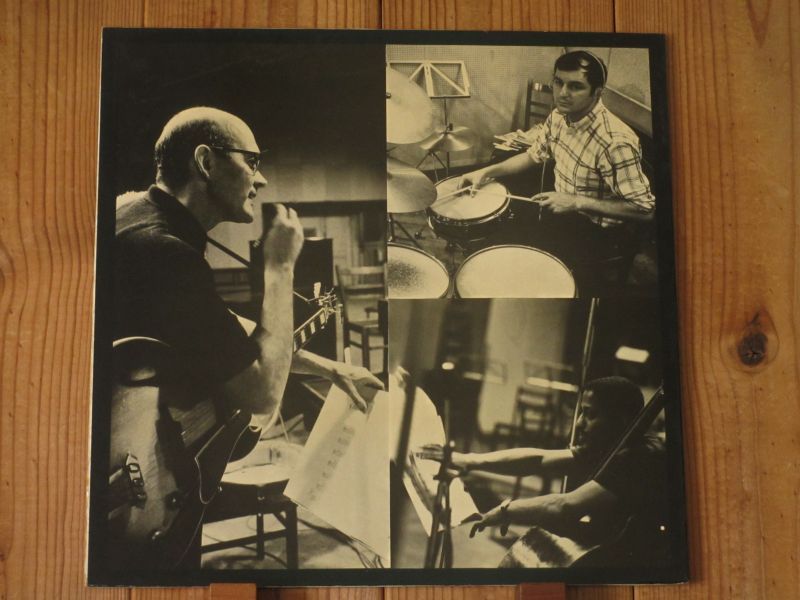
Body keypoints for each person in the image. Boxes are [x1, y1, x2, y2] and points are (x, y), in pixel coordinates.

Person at [115, 107, 383, 424]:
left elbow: (221, 333)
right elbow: (262, 395)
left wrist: (330, 368)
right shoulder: (168, 253)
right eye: (252, 162)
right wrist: (281, 266)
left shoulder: (131, 214)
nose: (262, 179)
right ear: (206, 162)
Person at [419, 376, 668, 567]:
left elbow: (565, 506)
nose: (579, 423)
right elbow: (538, 460)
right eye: (581, 412)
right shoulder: (611, 444)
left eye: (591, 415)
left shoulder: (640, 456)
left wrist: (506, 510)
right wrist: (469, 460)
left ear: (621, 420)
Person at [459, 51, 656, 281]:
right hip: (562, 210)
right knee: (498, 238)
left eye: (575, 86)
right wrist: (485, 172)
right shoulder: (559, 117)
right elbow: (533, 156)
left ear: (597, 92)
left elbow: (645, 210)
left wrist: (575, 202)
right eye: (558, 82)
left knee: (525, 270)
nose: (562, 93)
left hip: (597, 232)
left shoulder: (615, 143)